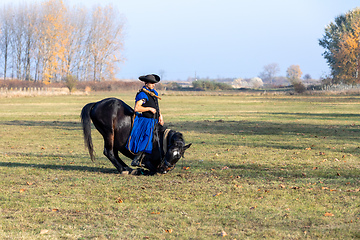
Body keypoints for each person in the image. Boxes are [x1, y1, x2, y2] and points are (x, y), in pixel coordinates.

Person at [126, 74, 164, 167]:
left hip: (155, 120)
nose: (153, 84)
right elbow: (137, 108)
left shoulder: (154, 93)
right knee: (147, 138)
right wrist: (149, 109)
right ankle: (136, 160)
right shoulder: (142, 94)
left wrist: (160, 116)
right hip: (146, 121)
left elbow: (157, 106)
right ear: (146, 83)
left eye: (154, 83)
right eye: (151, 83)